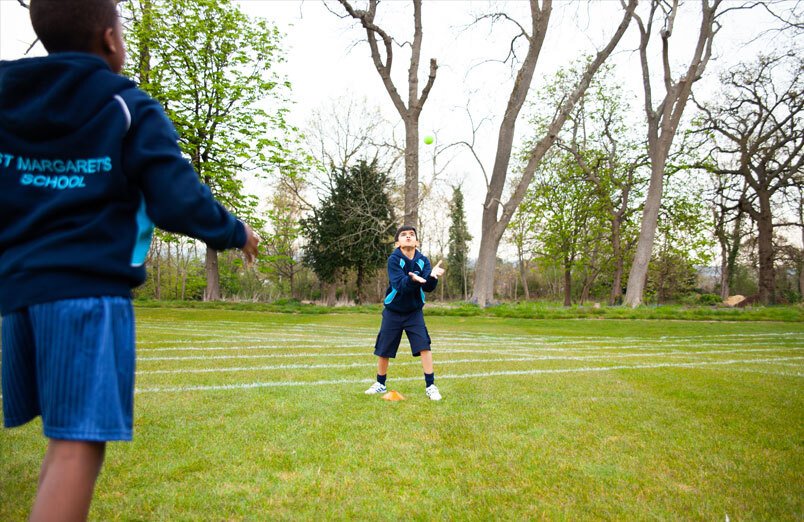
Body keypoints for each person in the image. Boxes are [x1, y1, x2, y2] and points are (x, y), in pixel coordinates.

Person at [0, 1, 259, 520]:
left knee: (63, 439)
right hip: (88, 296)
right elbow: (177, 198)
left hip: (17, 295)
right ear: (111, 40)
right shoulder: (125, 103)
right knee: (78, 444)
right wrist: (237, 231)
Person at [365, 226, 446, 401]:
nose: (408, 237)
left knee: (424, 345)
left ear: (416, 241)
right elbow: (399, 285)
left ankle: (431, 386)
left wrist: (432, 277)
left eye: (411, 235)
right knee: (384, 348)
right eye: (403, 235)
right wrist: (412, 279)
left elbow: (428, 287)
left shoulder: (423, 260)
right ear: (397, 243)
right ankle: (380, 383)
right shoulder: (394, 260)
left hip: (414, 312)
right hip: (393, 311)